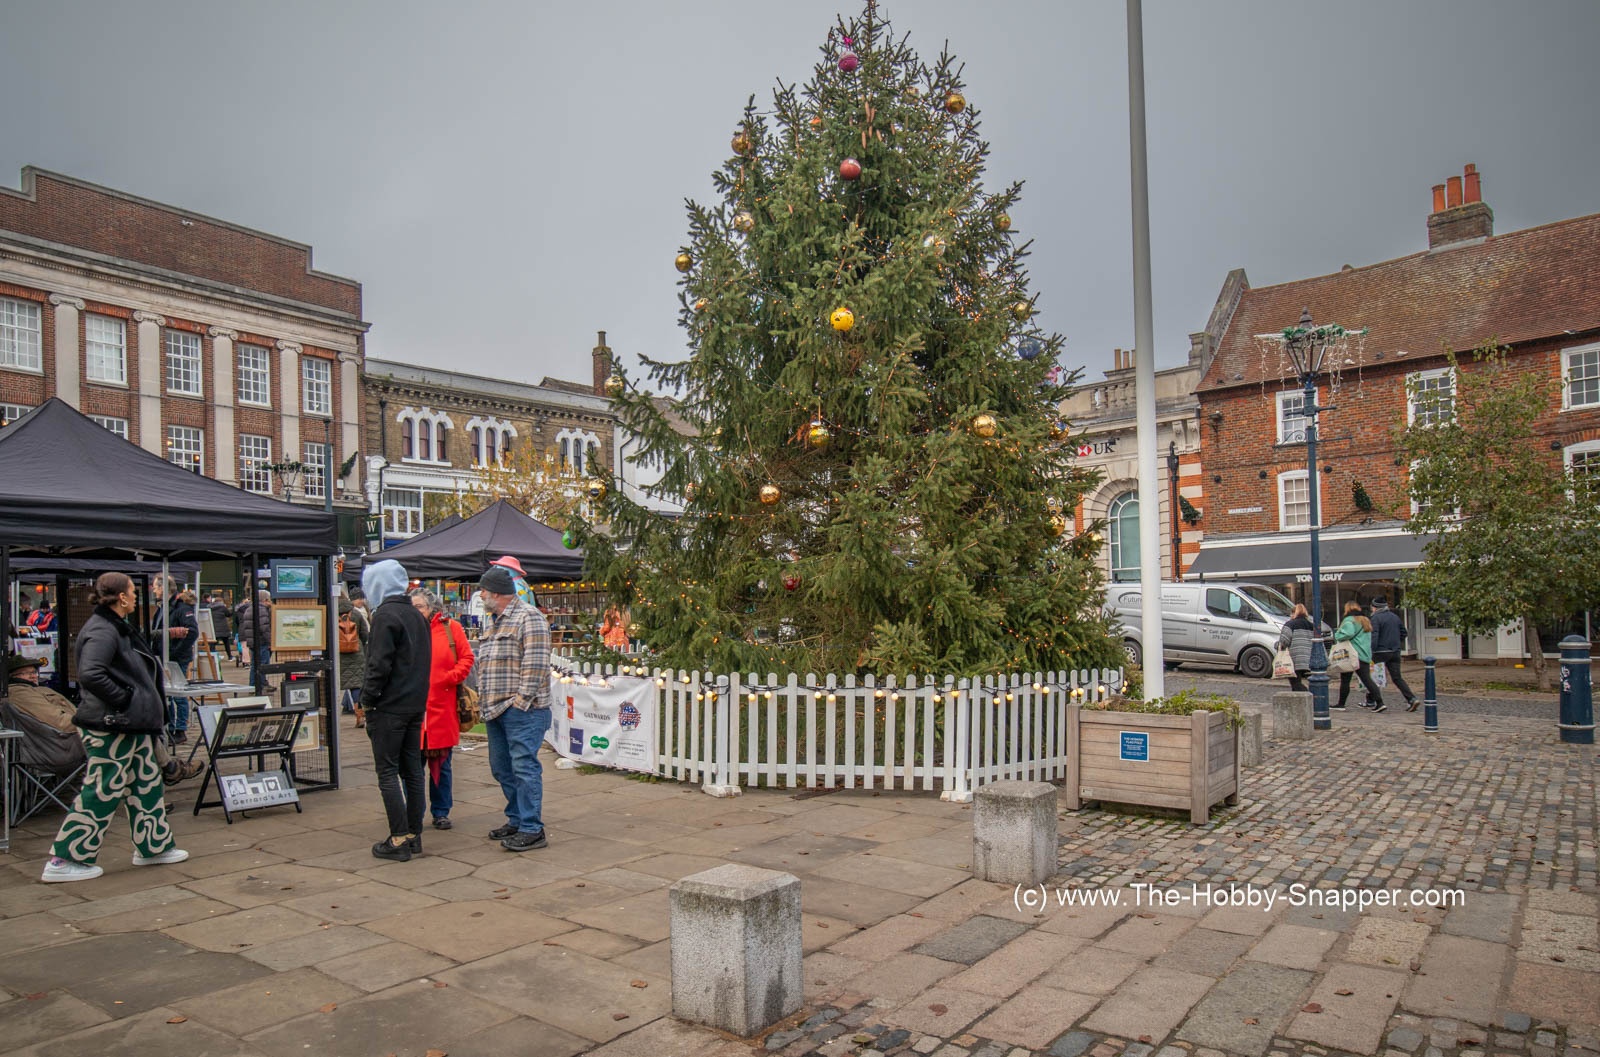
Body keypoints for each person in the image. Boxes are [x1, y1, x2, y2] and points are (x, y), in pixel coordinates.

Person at [41, 572, 189, 883]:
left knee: (146, 783)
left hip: (128, 723)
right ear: (121, 597)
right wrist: (125, 700)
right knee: (103, 787)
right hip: (112, 724)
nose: (138, 595)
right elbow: (91, 673)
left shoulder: (113, 627)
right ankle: (65, 858)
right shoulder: (104, 630)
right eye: (134, 591)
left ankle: (154, 846)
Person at [476, 563, 552, 852]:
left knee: (524, 767)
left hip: (522, 710)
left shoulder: (529, 618)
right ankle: (517, 818)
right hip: (495, 709)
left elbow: (536, 664)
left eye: (483, 590)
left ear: (497, 593)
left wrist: (521, 703)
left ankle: (532, 829)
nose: (481, 595)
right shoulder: (494, 620)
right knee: (501, 768)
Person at [360, 559, 432, 862]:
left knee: (387, 772)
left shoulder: (385, 615)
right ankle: (413, 834)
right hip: (415, 704)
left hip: (390, 706)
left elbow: (379, 664)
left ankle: (399, 837)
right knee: (412, 771)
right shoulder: (416, 616)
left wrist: (367, 699)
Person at [408, 588, 474, 830]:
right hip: (413, 710)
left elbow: (466, 658)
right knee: (412, 767)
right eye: (412, 607)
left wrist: (449, 677)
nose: (415, 612)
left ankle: (441, 811)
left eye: (419, 607)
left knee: (441, 766)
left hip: (442, 708)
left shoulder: (451, 628)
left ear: (431, 608)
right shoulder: (406, 629)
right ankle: (413, 811)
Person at [150, 577, 198, 743]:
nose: (153, 590)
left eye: (155, 587)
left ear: (164, 588)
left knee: (178, 693)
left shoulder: (180, 608)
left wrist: (175, 652)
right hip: (162, 657)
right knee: (167, 693)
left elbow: (192, 632)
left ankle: (180, 729)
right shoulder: (163, 607)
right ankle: (170, 727)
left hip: (175, 658)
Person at [1334, 600, 1387, 713]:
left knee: (1345, 680)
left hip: (1352, 654)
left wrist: (1337, 634)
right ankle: (1379, 702)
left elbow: (1348, 633)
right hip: (1364, 653)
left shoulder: (1349, 620)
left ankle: (1341, 704)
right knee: (1367, 679)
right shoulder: (1365, 620)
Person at [1368, 597, 1419, 712]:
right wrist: (1396, 643)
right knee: (1397, 678)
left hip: (1380, 652)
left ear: (1375, 607)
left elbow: (1374, 635)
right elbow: (1403, 633)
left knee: (1371, 676)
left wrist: (1371, 650)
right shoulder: (1395, 617)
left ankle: (1374, 701)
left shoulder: (1375, 618)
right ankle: (1411, 698)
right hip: (1395, 651)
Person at [338, 588, 371, 727]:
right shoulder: (356, 613)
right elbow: (365, 634)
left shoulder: (329, 612)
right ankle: (360, 715)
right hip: (356, 653)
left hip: (336, 654)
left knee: (330, 685)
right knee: (356, 686)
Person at [1276, 603, 1321, 694]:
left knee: (1295, 683)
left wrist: (1276, 645)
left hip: (1295, 658)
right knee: (1297, 683)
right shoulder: (1312, 625)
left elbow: (1284, 642)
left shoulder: (1290, 624)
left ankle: (1309, 697)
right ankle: (1298, 702)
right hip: (1309, 658)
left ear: (1293, 613)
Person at [235, 589, 272, 688]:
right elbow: (264, 627)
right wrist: (271, 641)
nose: (270, 602)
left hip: (253, 641)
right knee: (263, 664)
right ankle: (260, 685)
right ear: (265, 600)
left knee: (254, 664)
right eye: (269, 600)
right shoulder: (261, 609)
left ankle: (254, 685)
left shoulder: (249, 608)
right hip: (261, 641)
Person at [207, 591, 234, 659]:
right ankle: (230, 656)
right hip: (223, 628)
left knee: (212, 643)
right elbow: (228, 614)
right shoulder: (223, 607)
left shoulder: (210, 608)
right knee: (226, 643)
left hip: (214, 628)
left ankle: (213, 656)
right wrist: (233, 610)